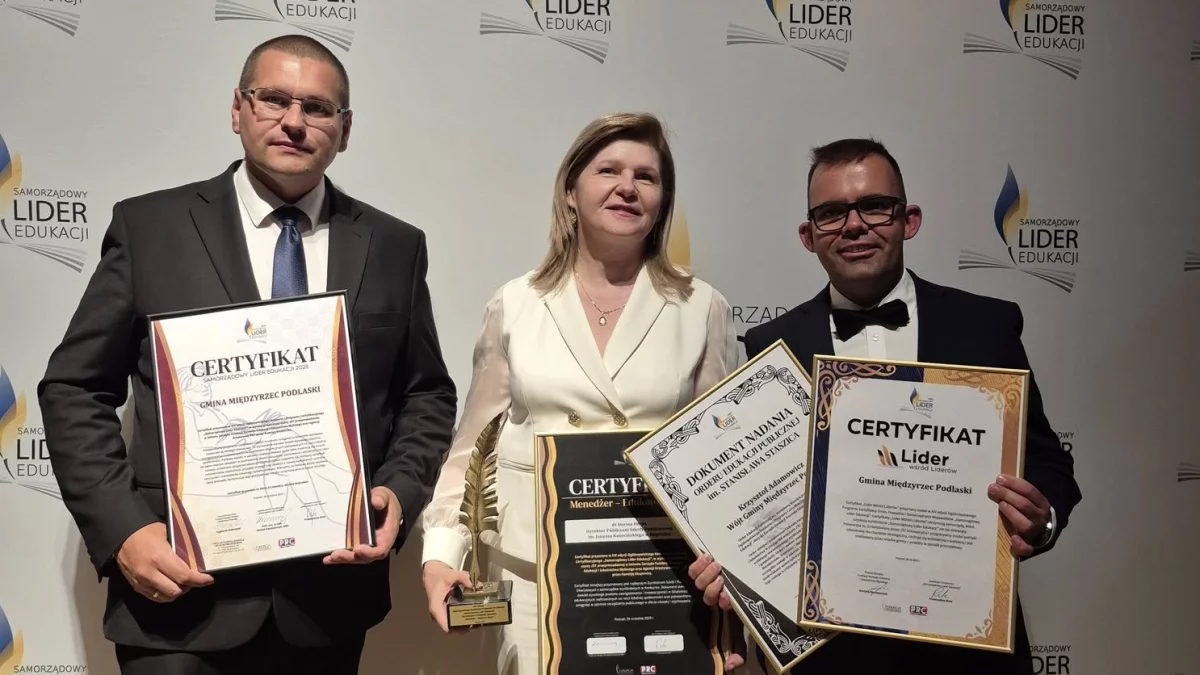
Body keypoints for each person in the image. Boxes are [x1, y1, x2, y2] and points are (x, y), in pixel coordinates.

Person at [37, 34, 457, 674]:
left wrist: (398, 491)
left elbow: (426, 392)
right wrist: (124, 529)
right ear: (238, 109)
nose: (294, 121)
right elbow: (74, 387)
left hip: (326, 604)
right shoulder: (150, 228)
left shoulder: (395, 245)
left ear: (345, 130)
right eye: (274, 100)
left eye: (317, 108)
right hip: (177, 597)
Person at [689, 138, 1081, 675]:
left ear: (908, 220)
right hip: (828, 655)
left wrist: (1041, 519)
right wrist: (734, 567)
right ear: (808, 236)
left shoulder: (986, 326)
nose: (854, 226)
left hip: (966, 652)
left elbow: (1048, 463)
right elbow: (752, 497)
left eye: (874, 206)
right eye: (832, 213)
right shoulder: (770, 346)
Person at [419, 112, 741, 674]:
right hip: (533, 579)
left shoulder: (702, 307)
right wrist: (442, 555)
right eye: (608, 170)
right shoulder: (515, 304)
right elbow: (472, 447)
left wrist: (733, 588)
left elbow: (726, 461)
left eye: (646, 176)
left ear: (663, 200)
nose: (627, 187)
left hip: (659, 581)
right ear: (571, 191)